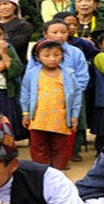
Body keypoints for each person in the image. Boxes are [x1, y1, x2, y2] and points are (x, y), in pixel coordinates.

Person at [21, 39, 82, 171]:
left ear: (62, 56)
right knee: (38, 147)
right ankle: (42, 172)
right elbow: (25, 93)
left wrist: (74, 116)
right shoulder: (32, 74)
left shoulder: (68, 74)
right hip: (38, 119)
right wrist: (25, 113)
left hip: (60, 118)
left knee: (61, 147)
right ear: (38, 57)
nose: (52, 59)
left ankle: (57, 172)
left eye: (56, 55)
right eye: (46, 55)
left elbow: (77, 95)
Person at [0, 0, 33, 65]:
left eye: (6, 3)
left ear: (14, 6)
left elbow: (15, 45)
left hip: (17, 65)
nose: (3, 7)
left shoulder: (24, 25)